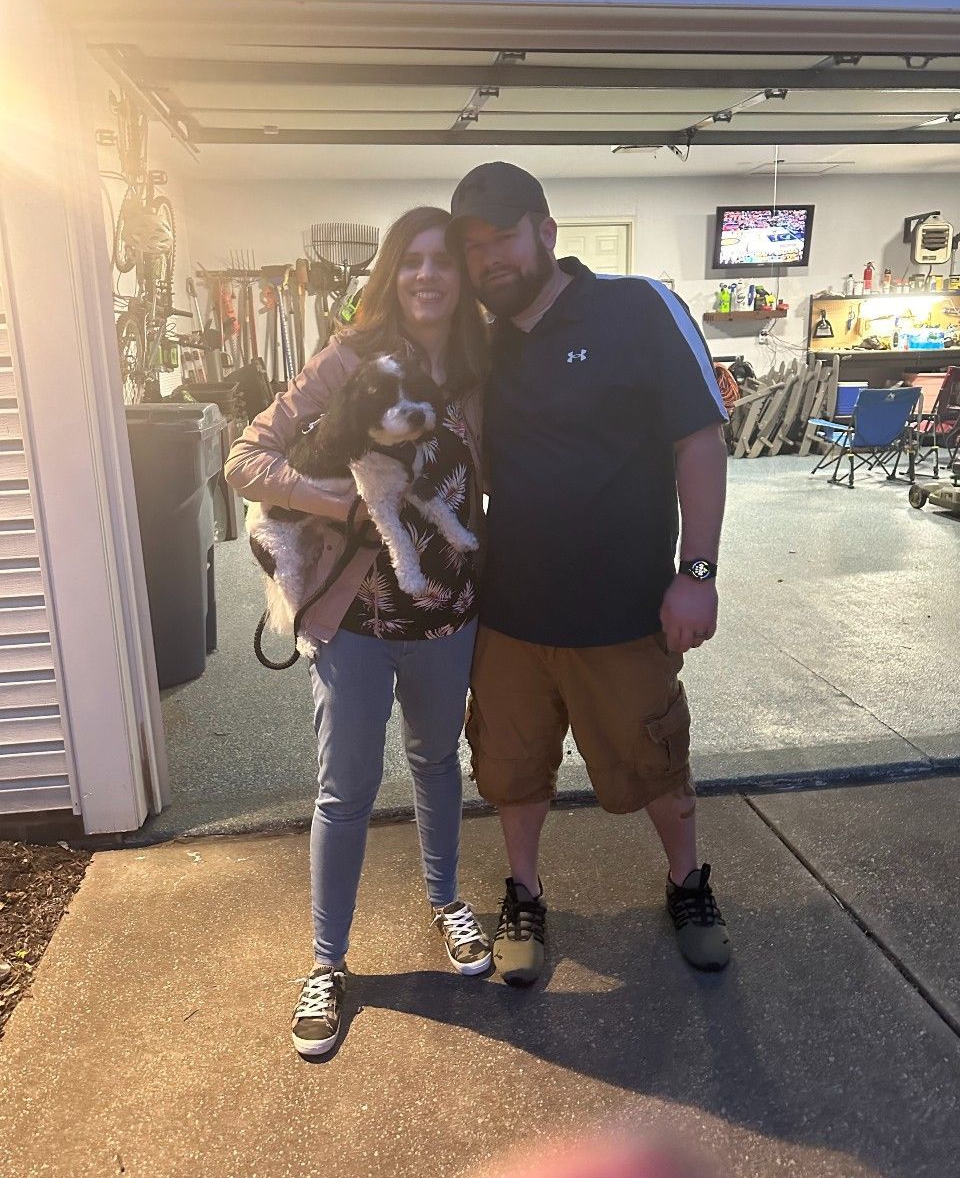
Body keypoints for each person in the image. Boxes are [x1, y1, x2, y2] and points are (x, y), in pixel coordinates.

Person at [446, 162, 731, 986]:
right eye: (474, 246)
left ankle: (687, 883)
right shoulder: (479, 342)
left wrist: (699, 572)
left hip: (624, 610)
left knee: (655, 764)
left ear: (545, 231)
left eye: (502, 236)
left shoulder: (637, 309)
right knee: (509, 768)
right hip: (509, 614)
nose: (489, 258)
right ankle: (525, 894)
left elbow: (700, 442)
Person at [224, 206, 491, 1056]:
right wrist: (337, 501)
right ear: (390, 272)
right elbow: (244, 460)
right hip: (356, 621)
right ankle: (329, 963)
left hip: (447, 613)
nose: (426, 276)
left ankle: (447, 903)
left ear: (462, 275)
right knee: (344, 790)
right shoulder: (346, 359)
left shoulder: (481, 371)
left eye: (442, 260)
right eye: (410, 260)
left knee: (437, 762)